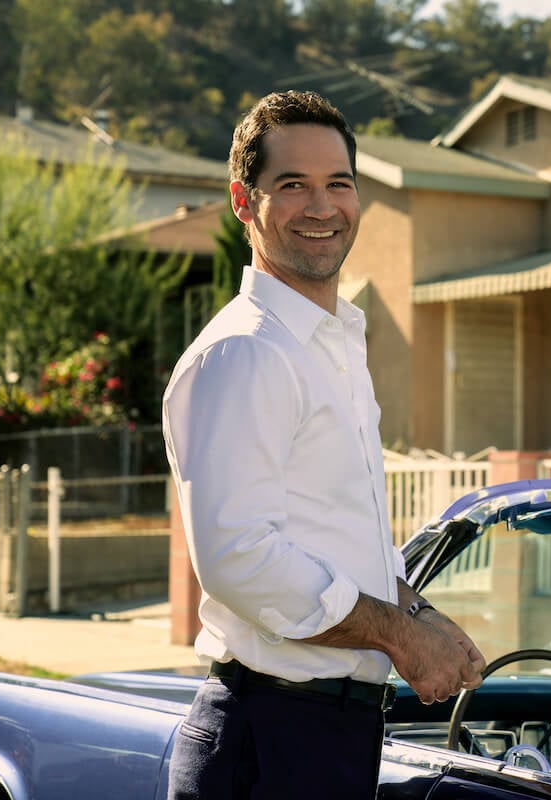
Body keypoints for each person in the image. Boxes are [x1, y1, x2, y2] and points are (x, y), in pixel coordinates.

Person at [162, 89, 485, 799]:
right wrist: (398, 637)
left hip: (322, 740)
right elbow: (241, 559)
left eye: (338, 184)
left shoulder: (333, 345)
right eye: (293, 186)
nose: (321, 206)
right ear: (245, 204)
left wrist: (419, 614)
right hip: (269, 738)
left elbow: (333, 536)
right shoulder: (245, 354)